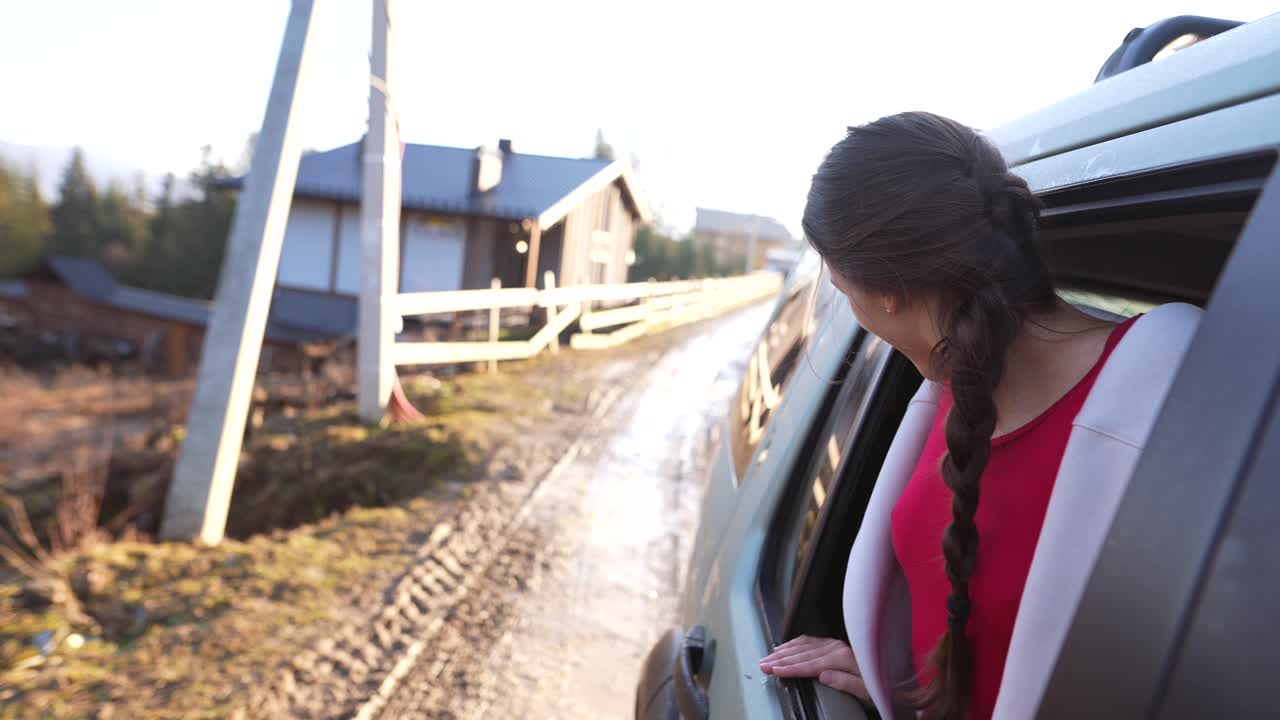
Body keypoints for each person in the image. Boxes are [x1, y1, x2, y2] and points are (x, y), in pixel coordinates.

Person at [758, 112, 1199, 719]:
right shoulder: (944, 392)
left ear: (888, 292)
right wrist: (902, 676)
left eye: (839, 283)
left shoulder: (1180, 411)